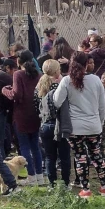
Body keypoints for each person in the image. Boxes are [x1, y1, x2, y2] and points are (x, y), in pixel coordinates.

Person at [53, 52, 105, 199]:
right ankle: (104, 187)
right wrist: (100, 123)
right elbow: (102, 106)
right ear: (87, 64)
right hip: (94, 126)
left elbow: (57, 101)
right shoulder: (96, 80)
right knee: (97, 155)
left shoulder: (66, 81)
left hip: (75, 128)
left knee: (80, 157)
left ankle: (85, 189)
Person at [2, 50, 45, 185]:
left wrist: (5, 90)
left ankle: (31, 176)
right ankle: (40, 176)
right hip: (35, 114)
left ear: (18, 61)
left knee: (24, 146)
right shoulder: (38, 75)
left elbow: (16, 95)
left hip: (21, 114)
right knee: (35, 146)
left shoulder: (18, 74)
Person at [37, 59, 71, 188]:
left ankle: (52, 184)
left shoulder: (40, 87)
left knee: (50, 157)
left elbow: (37, 107)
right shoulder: (62, 86)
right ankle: (66, 183)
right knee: (64, 156)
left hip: (45, 125)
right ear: (58, 71)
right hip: (60, 124)